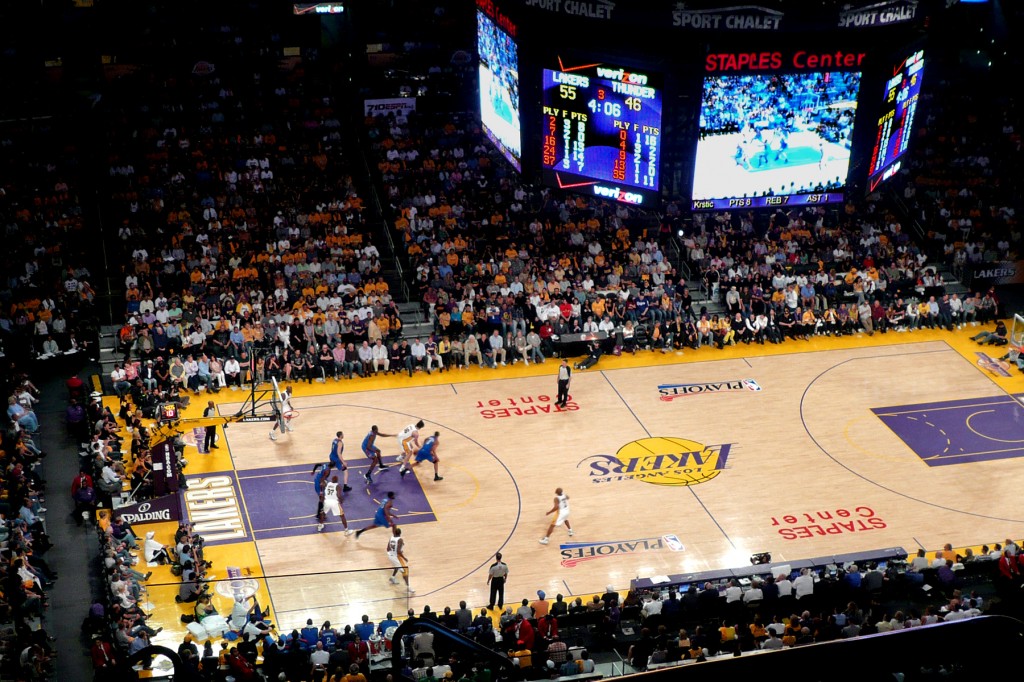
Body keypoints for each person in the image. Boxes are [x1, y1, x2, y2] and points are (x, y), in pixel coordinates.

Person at [386, 526, 414, 593]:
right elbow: (398, 551)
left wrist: (393, 552)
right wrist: (404, 558)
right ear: (400, 533)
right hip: (396, 556)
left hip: (390, 555)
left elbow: (387, 548)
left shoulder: (391, 538)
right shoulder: (400, 540)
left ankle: (392, 578)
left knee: (397, 566)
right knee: (404, 571)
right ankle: (408, 587)